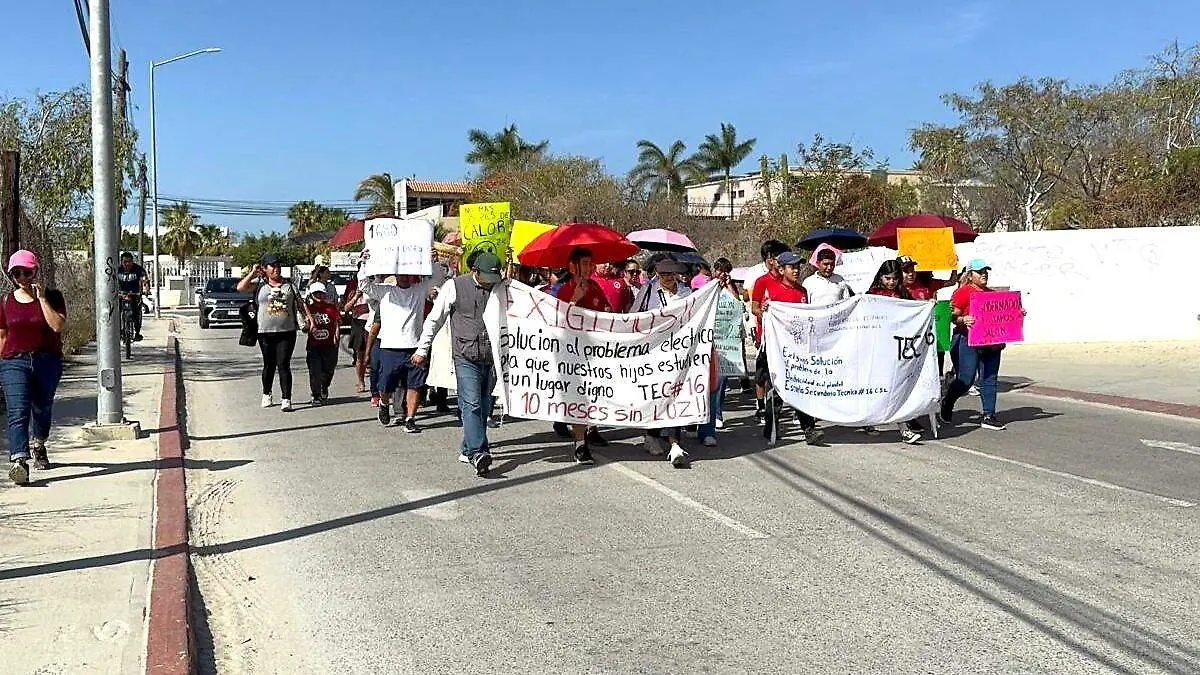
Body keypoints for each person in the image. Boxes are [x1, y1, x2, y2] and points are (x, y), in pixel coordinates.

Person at [413, 252, 505, 476]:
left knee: (483, 405)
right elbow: (435, 319)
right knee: (472, 403)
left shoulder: (500, 287)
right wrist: (422, 349)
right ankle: (478, 453)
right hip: (465, 357)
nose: (490, 283)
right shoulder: (454, 287)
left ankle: (467, 447)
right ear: (475, 272)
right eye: (486, 278)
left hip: (491, 357)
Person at [1, 250, 67, 485]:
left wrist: (41, 299)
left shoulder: (53, 297)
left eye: (26, 272)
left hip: (46, 361)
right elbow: (2, 333)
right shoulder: (7, 301)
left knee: (41, 408)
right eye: (16, 273)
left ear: (35, 271)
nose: (22, 277)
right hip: (13, 361)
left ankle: (39, 443)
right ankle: (19, 462)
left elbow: (57, 326)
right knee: (18, 412)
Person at [358, 256, 440, 433]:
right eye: (400, 273)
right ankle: (384, 402)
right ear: (395, 274)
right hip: (390, 347)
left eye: (407, 274)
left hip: (415, 347)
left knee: (415, 385)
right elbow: (364, 285)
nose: (404, 277)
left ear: (411, 275)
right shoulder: (385, 291)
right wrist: (365, 263)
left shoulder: (419, 290)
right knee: (387, 384)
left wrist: (433, 261)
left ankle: (410, 418)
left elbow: (436, 278)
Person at [633, 258, 693, 468]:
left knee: (676, 394)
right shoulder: (647, 291)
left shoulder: (686, 292)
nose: (668, 278)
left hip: (679, 351)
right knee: (656, 394)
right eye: (664, 274)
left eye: (671, 274)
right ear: (657, 274)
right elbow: (634, 317)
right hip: (654, 352)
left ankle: (675, 444)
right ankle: (651, 434)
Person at [759, 252, 824, 445]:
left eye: (798, 267)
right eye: (791, 267)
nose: (796, 270)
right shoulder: (773, 290)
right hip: (777, 349)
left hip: (799, 350)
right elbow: (758, 310)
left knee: (801, 388)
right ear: (781, 269)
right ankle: (771, 427)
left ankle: (809, 430)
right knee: (777, 390)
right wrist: (764, 310)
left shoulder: (802, 292)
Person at [939, 259, 1011, 431]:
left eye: (986, 270)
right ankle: (947, 402)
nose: (984, 274)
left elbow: (1003, 316)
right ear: (970, 275)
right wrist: (963, 319)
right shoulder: (962, 293)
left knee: (989, 378)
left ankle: (988, 415)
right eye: (980, 271)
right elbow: (952, 317)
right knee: (965, 379)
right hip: (966, 340)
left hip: (991, 343)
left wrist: (1016, 313)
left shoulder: (993, 294)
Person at [554, 249, 611, 463]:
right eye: (585, 263)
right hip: (572, 357)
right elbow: (557, 324)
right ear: (572, 266)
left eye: (591, 263)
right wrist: (574, 301)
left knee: (591, 398)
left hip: (595, 354)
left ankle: (588, 432)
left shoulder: (596, 287)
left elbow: (608, 315)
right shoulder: (562, 290)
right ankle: (580, 443)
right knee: (579, 398)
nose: (590, 268)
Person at [237, 253, 303, 412]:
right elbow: (240, 288)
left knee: (283, 364)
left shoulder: (289, 285)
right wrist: (253, 273)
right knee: (269, 365)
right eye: (272, 266)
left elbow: (300, 304)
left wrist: (309, 320)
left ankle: (286, 399)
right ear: (265, 268)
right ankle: (267, 393)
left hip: (287, 331)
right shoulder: (259, 285)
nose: (276, 269)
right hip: (265, 332)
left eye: (278, 265)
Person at [866, 260, 922, 445]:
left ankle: (904, 428)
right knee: (876, 388)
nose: (890, 282)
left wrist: (926, 306)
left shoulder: (903, 294)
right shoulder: (871, 295)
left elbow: (915, 313)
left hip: (898, 349)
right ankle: (869, 419)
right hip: (876, 349)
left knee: (895, 388)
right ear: (880, 277)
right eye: (887, 278)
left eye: (894, 278)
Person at [695, 258, 740, 445]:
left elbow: (736, 305)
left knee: (718, 382)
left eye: (726, 271)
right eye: (720, 270)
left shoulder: (730, 288)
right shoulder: (705, 286)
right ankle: (693, 422)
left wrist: (729, 286)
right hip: (703, 341)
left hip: (723, 342)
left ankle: (709, 429)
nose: (723, 274)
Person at [750, 240, 791, 422]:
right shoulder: (761, 281)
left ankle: (776, 408)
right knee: (763, 374)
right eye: (772, 257)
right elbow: (754, 308)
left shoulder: (790, 281)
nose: (775, 261)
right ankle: (761, 405)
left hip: (786, 337)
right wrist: (766, 314)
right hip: (766, 336)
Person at [304, 282, 341, 405]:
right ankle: (316, 394)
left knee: (328, 369)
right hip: (314, 345)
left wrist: (336, 335)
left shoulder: (331, 307)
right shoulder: (308, 308)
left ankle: (324, 387)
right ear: (312, 294)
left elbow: (336, 322)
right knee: (315, 370)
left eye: (321, 293)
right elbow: (303, 321)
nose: (319, 295)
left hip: (329, 344)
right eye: (316, 293)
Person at [115, 251, 149, 341]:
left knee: (136, 313)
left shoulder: (138, 269)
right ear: (121, 262)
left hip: (134, 294)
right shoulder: (117, 269)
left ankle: (137, 332)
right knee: (116, 313)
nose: (127, 264)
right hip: (121, 294)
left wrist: (145, 289)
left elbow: (144, 279)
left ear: (132, 261)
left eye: (129, 261)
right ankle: (120, 331)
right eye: (125, 262)